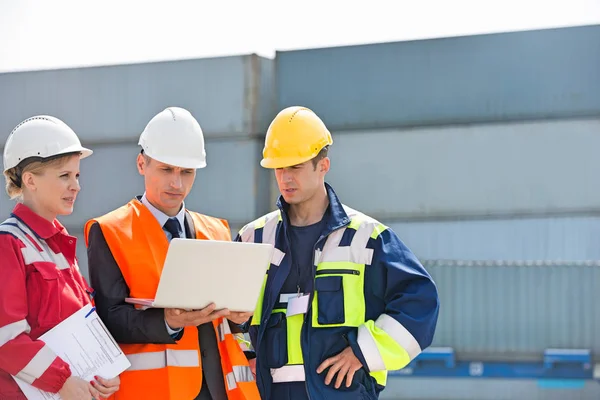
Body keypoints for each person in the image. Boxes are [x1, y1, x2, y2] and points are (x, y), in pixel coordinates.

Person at [236, 106, 440, 399]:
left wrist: (362, 353)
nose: (285, 178)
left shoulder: (367, 238)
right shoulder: (253, 238)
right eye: (279, 168)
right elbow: (229, 319)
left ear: (323, 165)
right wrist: (247, 358)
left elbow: (421, 304)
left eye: (295, 166)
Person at [84, 107, 260, 400]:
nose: (177, 183)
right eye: (166, 170)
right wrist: (168, 321)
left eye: (186, 172)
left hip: (220, 389)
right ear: (142, 164)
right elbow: (108, 318)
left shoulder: (217, 230)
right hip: (154, 392)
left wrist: (240, 317)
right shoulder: (109, 231)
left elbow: (229, 325)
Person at [0, 116, 121, 400]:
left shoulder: (58, 243)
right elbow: (5, 338)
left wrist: (105, 372)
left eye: (77, 176)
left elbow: (81, 323)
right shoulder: (9, 243)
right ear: (30, 181)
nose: (76, 186)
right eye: (64, 176)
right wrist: (62, 381)